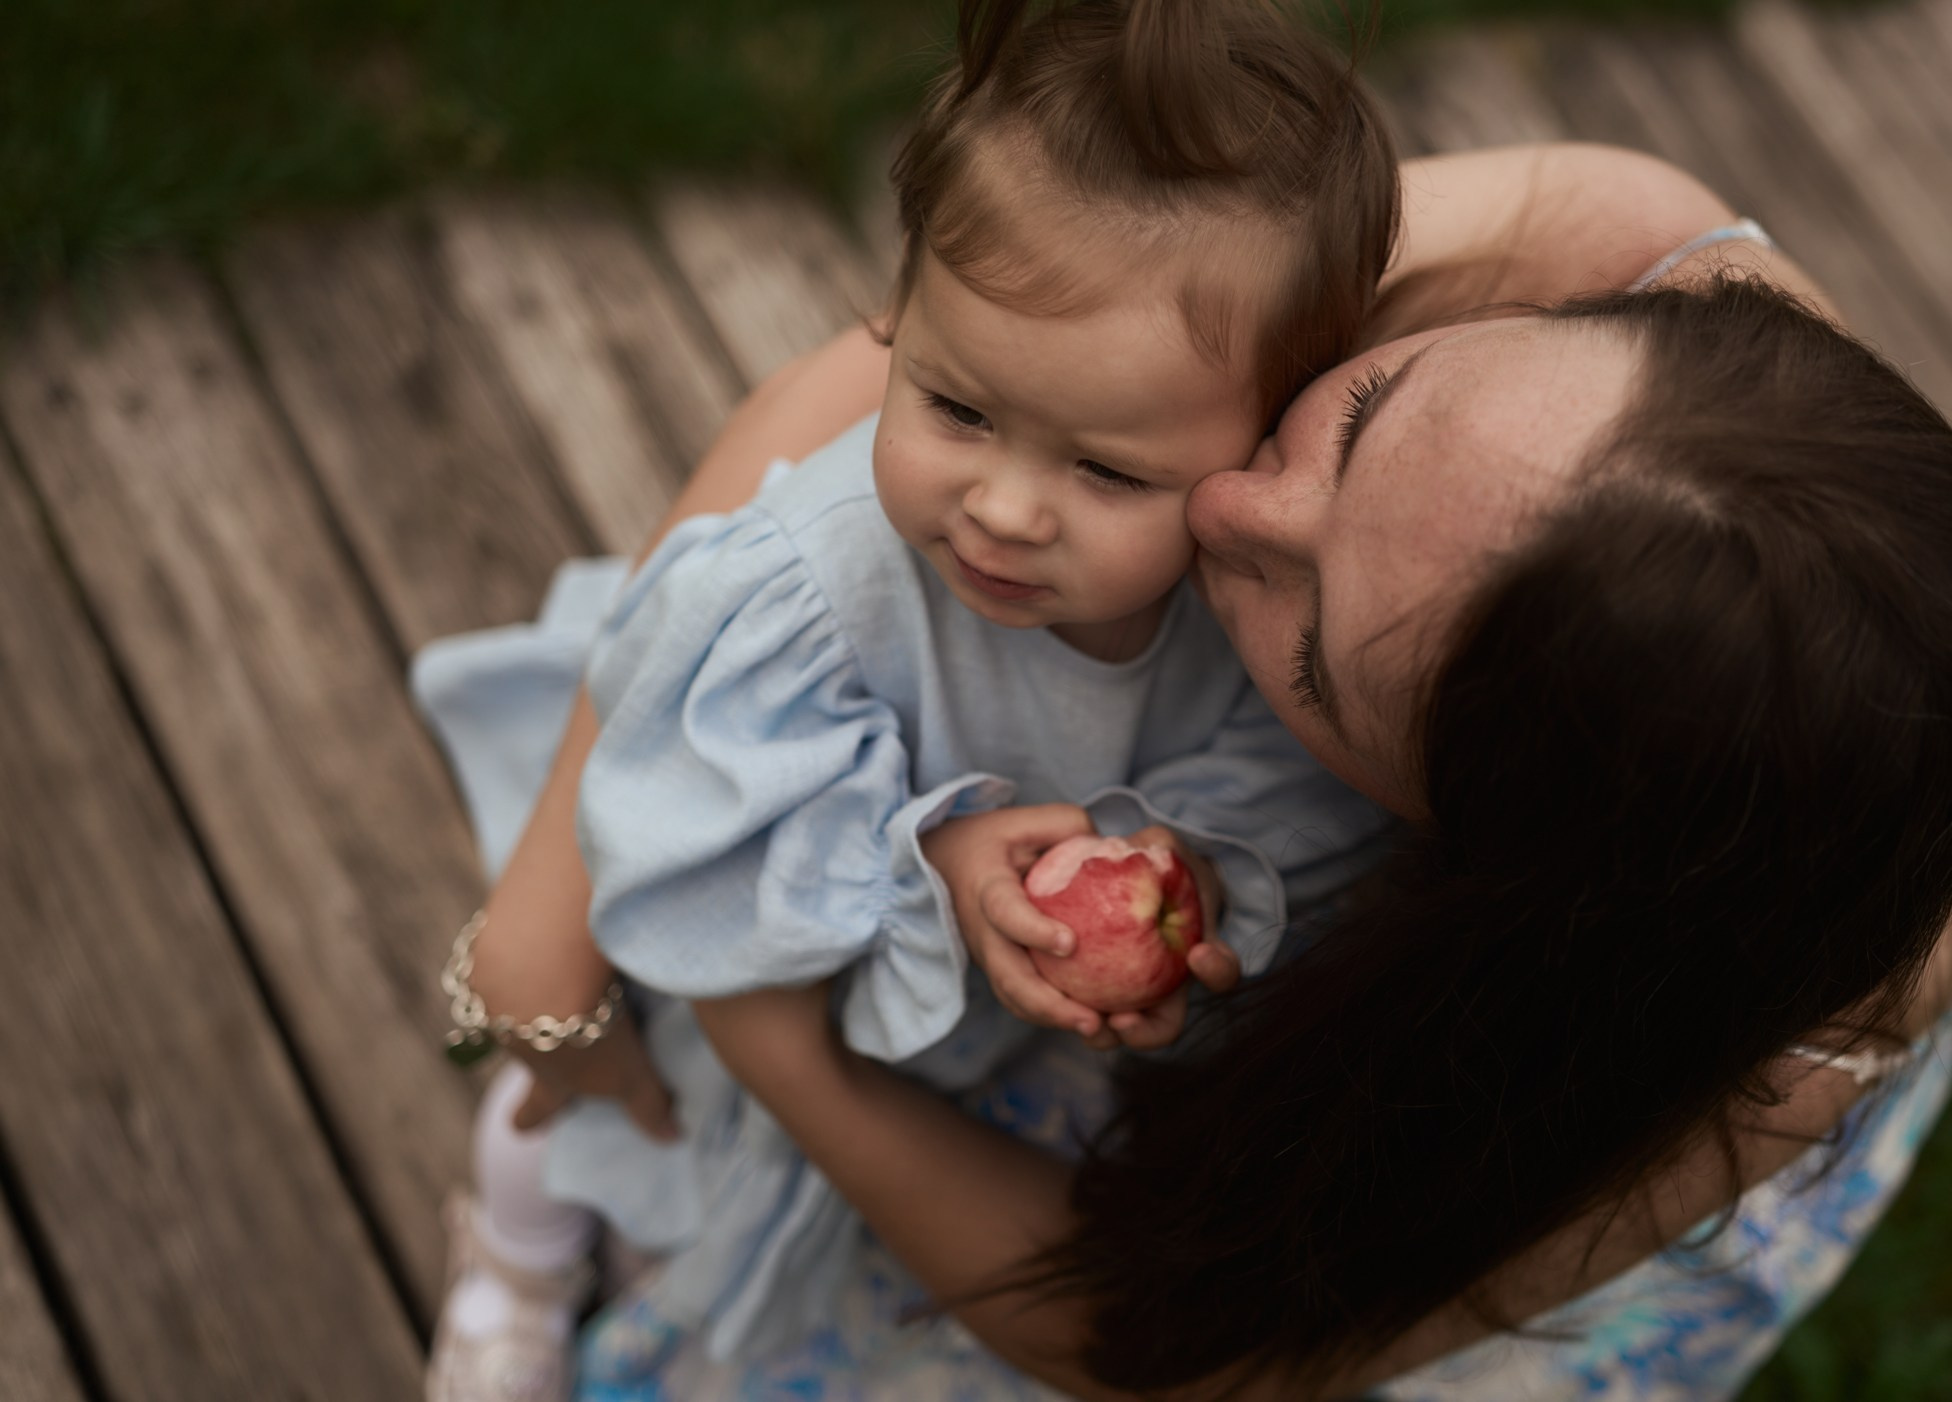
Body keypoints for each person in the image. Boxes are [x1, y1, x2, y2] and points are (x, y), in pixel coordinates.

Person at [436, 144, 1952, 1397]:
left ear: (1443, 838)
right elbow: (907, 359)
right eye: (1373, 407)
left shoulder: (1694, 1062)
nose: (1221, 513)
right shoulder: (1615, 243)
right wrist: (555, 899)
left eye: (1316, 644)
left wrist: (779, 1040)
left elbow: (1154, 1345)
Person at [417, 2, 1402, 1397]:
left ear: (1265, 442)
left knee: (695, 1199)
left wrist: (1181, 879)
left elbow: (1271, 776)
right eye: (956, 407)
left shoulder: (1255, 614)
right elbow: (710, 836)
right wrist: (924, 859)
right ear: (897, 324)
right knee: (578, 1114)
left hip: (949, 1028)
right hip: (749, 957)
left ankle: (649, 1254)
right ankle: (512, 1261)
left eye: (1109, 474)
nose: (1002, 509)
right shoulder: (805, 599)